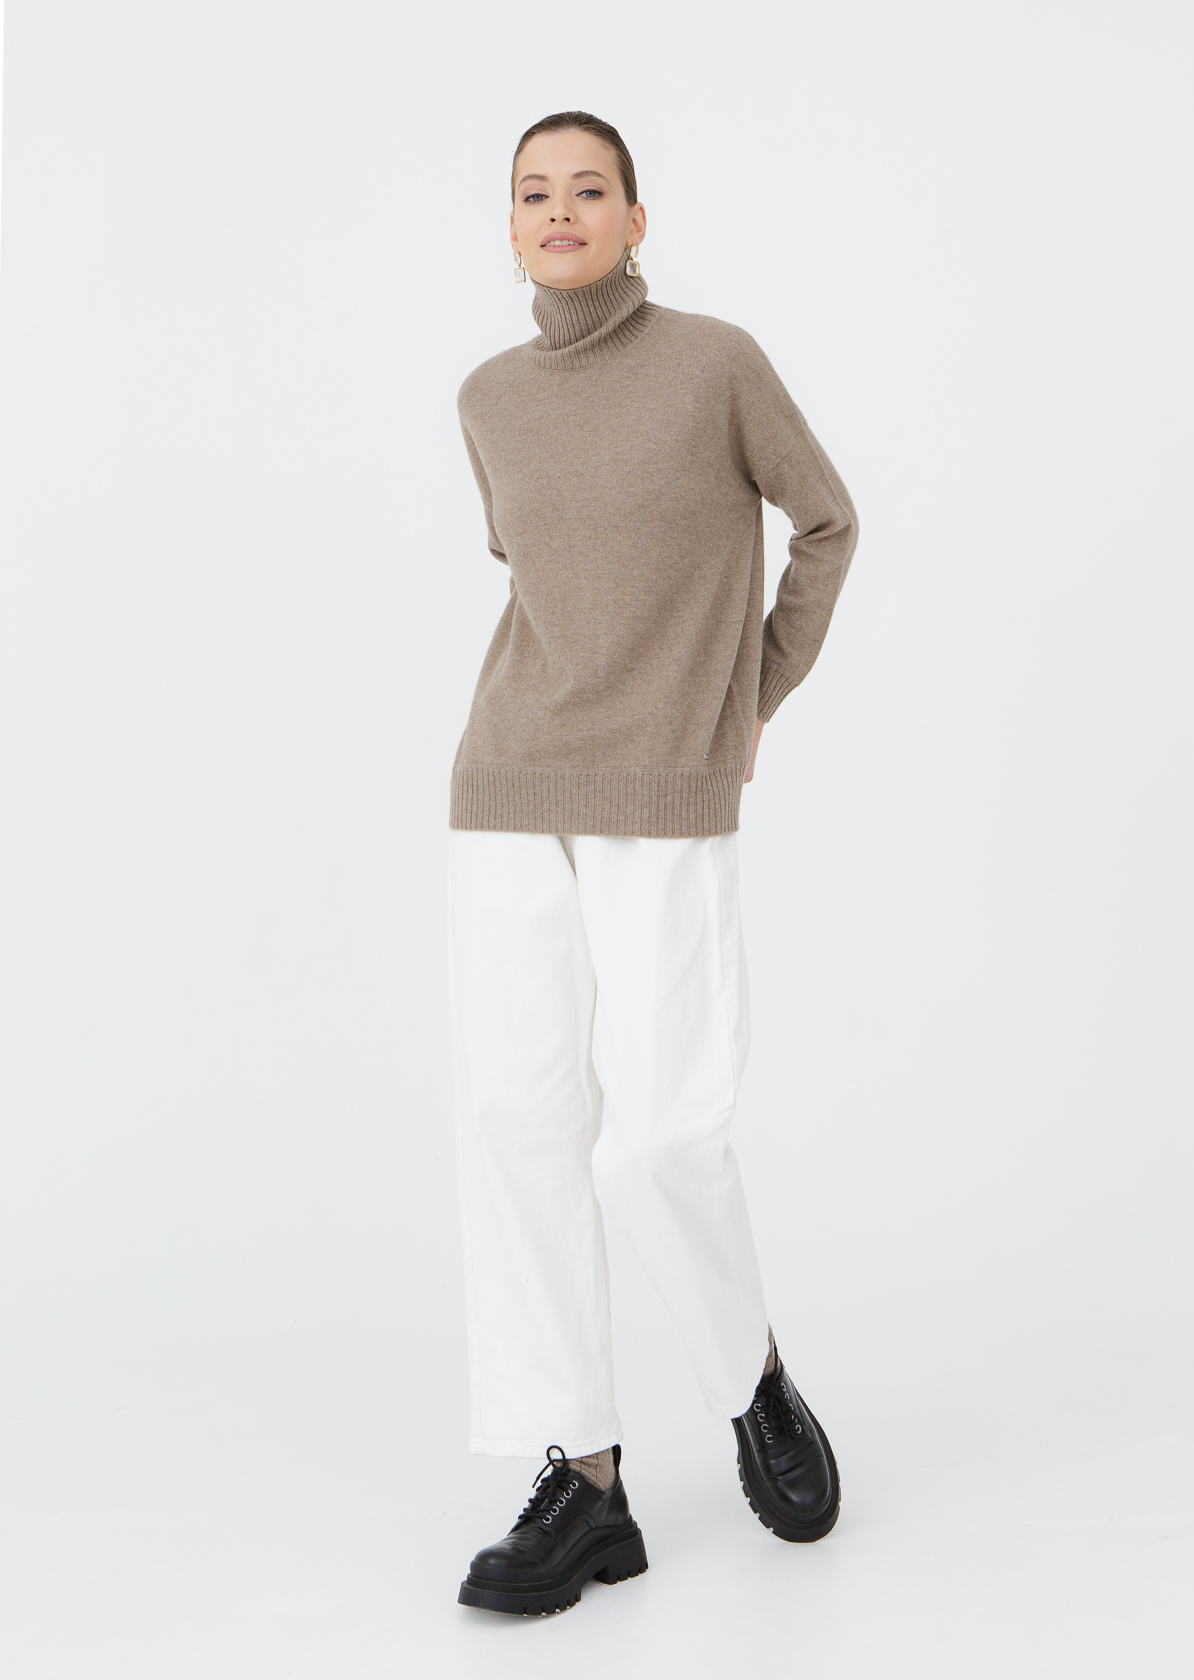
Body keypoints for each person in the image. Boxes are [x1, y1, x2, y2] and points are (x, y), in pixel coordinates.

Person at [448, 111, 859, 1617]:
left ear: (636, 217)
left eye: (588, 189)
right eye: (532, 193)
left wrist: (747, 702)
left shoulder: (715, 364)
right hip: (507, 782)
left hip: (666, 790)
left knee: (660, 1137)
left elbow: (827, 524)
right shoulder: (487, 398)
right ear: (510, 228)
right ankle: (585, 1477)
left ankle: (748, 1373)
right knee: (521, 1125)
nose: (559, 212)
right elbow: (537, 584)